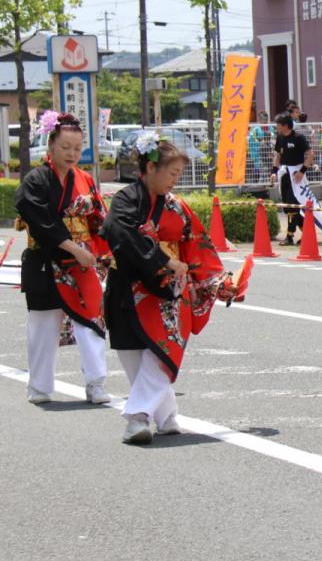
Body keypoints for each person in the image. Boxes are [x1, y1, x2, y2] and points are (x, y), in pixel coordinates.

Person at [100, 136, 235, 444]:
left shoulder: (177, 207)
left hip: (169, 293)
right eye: (172, 173)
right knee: (132, 355)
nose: (176, 180)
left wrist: (218, 281)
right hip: (128, 286)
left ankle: (137, 418)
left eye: (178, 174)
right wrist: (162, 260)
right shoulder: (124, 200)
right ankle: (166, 415)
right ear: (150, 168)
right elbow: (119, 232)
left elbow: (197, 245)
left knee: (162, 352)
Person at [14, 112, 112, 405]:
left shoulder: (84, 179)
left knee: (91, 321)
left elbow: (99, 219)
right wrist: (74, 249)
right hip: (46, 259)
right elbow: (40, 221)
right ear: (51, 145)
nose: (72, 154)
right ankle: (39, 386)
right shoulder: (35, 180)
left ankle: (96, 383)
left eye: (77, 148)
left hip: (81, 264)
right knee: (43, 325)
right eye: (65, 147)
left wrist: (108, 250)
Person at [270, 113, 311, 246]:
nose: (276, 126)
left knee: (292, 204)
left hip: (296, 174)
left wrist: (302, 171)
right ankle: (308, 233)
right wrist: (274, 172)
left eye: (278, 124)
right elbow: (278, 156)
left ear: (286, 125)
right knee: (288, 207)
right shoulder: (280, 137)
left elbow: (310, 155)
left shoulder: (298, 138)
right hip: (284, 174)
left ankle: (290, 235)